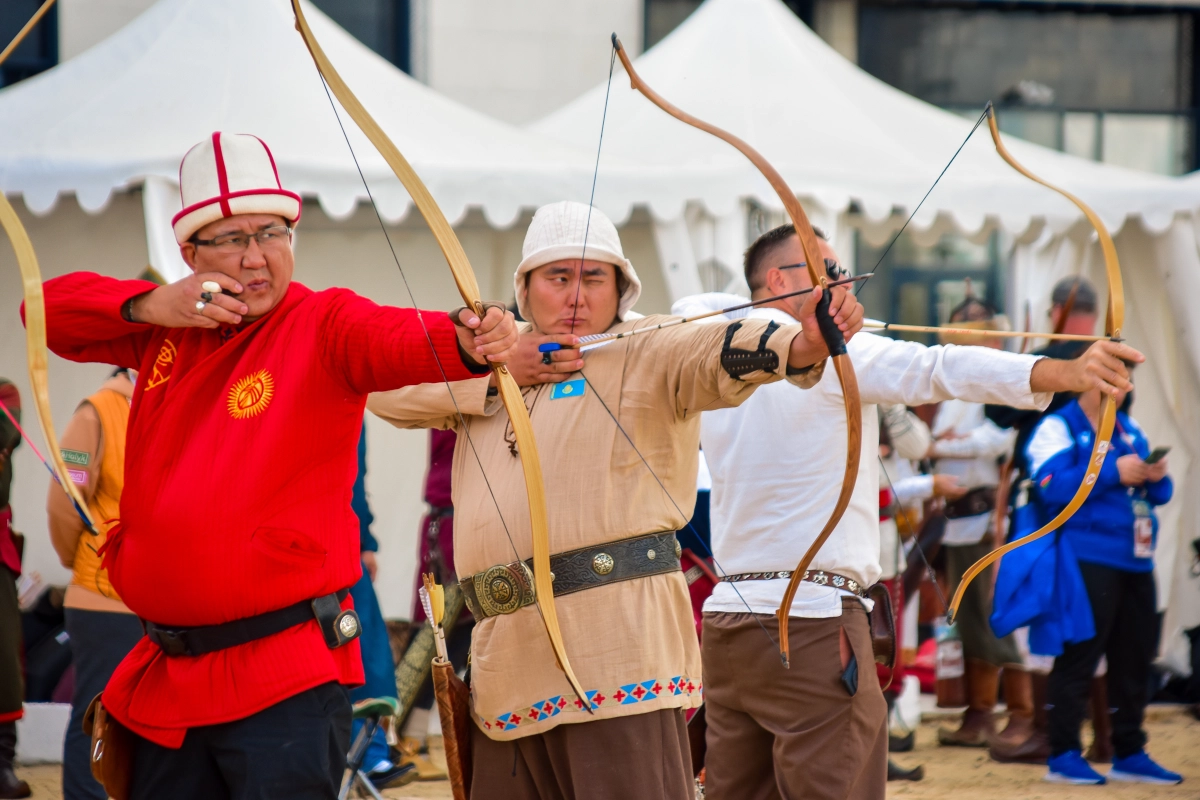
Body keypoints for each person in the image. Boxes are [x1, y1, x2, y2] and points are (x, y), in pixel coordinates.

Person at [22, 132, 518, 800]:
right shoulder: (167, 328)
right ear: (189, 253)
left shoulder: (322, 323)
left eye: (272, 232)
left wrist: (466, 336)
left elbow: (397, 337)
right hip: (169, 675)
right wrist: (149, 303)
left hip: (281, 676)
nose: (255, 258)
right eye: (229, 238)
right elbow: (40, 310)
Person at [368, 200, 863, 799]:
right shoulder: (494, 369)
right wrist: (494, 365)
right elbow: (385, 391)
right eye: (558, 278)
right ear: (524, 289)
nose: (576, 296)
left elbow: (724, 346)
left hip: (617, 656)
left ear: (620, 288)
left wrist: (802, 343)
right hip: (505, 672)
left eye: (593, 277)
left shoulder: (647, 349)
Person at [675, 223, 1143, 800]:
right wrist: (1067, 372)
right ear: (779, 280)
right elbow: (939, 368)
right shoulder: (830, 352)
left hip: (728, 626)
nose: (847, 283)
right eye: (832, 270)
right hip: (813, 624)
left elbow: (698, 312)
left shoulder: (713, 353)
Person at [1024, 372, 1180, 785]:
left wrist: (1156, 475)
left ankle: (1129, 750)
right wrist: (1114, 471)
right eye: (1112, 377)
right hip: (1086, 558)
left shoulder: (1131, 428)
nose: (1122, 387)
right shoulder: (1058, 426)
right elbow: (1049, 486)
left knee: (1135, 658)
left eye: (1127, 380)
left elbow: (1160, 496)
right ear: (1085, 380)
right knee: (1080, 655)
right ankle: (1064, 752)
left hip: (1137, 559)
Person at [985, 276, 1108, 765]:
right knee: (1088, 620)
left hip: (1047, 505)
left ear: (1060, 309)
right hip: (1093, 510)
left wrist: (1033, 355)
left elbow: (997, 410)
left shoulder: (1057, 359)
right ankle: (1105, 734)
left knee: (1037, 609)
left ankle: (1043, 731)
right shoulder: (1112, 355)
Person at [927, 297, 1029, 750]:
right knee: (968, 619)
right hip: (957, 519)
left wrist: (955, 442)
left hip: (989, 518)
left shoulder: (999, 376)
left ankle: (1024, 714)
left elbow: (1001, 438)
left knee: (994, 616)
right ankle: (980, 713)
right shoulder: (956, 382)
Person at [46, 369, 144, 800]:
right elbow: (67, 499)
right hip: (103, 598)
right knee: (98, 717)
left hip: (158, 599)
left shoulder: (169, 403)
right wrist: (84, 561)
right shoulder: (98, 411)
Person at [347, 422, 416, 790]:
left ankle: (370, 755)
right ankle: (368, 757)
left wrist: (364, 540)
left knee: (362, 649)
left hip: (339, 541)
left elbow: (352, 478)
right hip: (301, 546)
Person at [396, 428, 462, 781]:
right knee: (434, 639)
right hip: (450, 526)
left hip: (462, 521)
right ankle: (409, 742)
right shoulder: (466, 381)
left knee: (460, 638)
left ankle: (413, 739)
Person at [0, 380, 30, 800]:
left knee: (3, 663)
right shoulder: (97, 411)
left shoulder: (4, 393)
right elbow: (77, 478)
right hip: (96, 588)